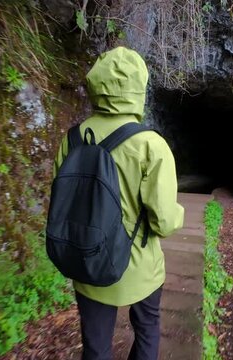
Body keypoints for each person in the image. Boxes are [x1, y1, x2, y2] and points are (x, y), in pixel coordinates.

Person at [53, 46, 185, 360]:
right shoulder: (151, 145)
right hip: (139, 266)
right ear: (139, 87)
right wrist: (177, 214)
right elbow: (164, 222)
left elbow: (64, 200)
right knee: (148, 329)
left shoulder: (72, 138)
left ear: (96, 85)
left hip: (86, 260)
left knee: (96, 347)